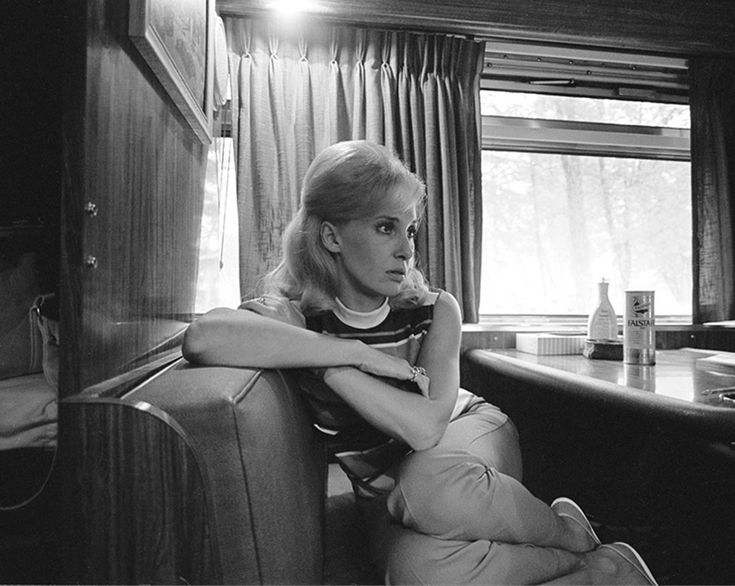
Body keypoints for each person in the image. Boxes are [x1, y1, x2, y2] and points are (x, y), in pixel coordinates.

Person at [182, 140, 658, 585]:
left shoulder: (435, 309)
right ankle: (600, 570)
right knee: (416, 571)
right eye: (385, 227)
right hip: (385, 488)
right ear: (331, 235)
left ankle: (566, 531)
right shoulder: (296, 313)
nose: (407, 250)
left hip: (466, 434)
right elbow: (204, 337)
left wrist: (322, 364)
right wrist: (348, 354)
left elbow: (427, 428)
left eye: (409, 230)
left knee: (430, 484)